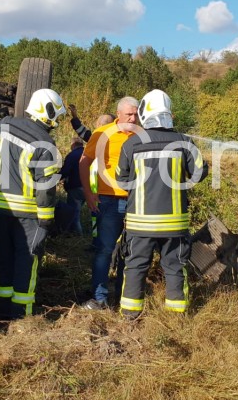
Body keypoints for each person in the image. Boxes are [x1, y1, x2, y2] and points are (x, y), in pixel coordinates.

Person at [0, 88, 66, 319]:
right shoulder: (45, 143)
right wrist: (46, 219)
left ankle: (3, 307)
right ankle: (22, 315)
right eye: (56, 116)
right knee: (27, 260)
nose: (56, 122)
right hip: (27, 214)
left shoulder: (5, 125)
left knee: (6, 257)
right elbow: (45, 187)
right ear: (47, 112)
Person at [117, 90, 207, 319]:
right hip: (174, 223)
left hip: (140, 223)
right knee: (175, 267)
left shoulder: (131, 144)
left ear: (144, 113)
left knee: (135, 266)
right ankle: (177, 316)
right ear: (169, 113)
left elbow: (121, 181)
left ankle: (130, 315)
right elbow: (200, 173)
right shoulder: (184, 142)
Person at [78, 96, 139, 310]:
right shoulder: (102, 133)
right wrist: (88, 193)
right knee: (104, 250)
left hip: (135, 202)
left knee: (130, 252)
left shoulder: (142, 135)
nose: (133, 118)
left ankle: (125, 297)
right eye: (129, 114)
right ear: (118, 114)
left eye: (136, 114)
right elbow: (84, 162)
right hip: (108, 201)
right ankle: (100, 298)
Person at [59, 137, 85, 234]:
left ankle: (77, 234)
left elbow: (65, 171)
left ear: (73, 145)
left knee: (74, 214)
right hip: (91, 188)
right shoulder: (89, 153)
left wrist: (53, 179)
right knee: (80, 211)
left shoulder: (72, 155)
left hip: (75, 187)